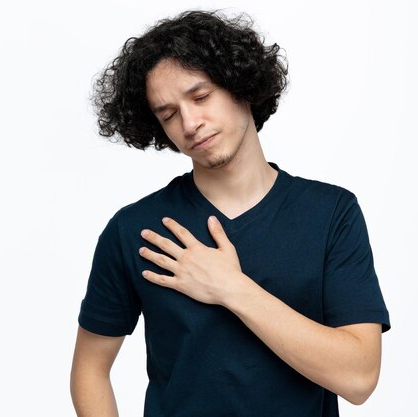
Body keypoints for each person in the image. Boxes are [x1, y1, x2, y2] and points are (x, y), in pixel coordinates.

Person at [70, 9, 390, 417]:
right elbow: (90, 369)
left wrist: (231, 288)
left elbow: (359, 379)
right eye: (168, 114)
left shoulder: (330, 214)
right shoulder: (135, 230)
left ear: (241, 86)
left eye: (201, 97)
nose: (190, 123)